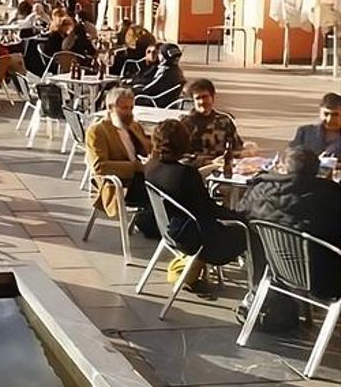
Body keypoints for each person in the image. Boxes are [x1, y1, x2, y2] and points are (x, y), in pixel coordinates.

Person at [145, 120, 248, 288]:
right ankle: (257, 286)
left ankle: (192, 274)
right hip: (193, 237)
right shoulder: (186, 174)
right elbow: (208, 209)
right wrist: (240, 216)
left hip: (169, 228)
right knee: (247, 231)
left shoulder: (151, 167)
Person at [242, 147, 341, 300]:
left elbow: (241, 214)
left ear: (282, 168)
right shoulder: (331, 196)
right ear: (317, 170)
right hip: (326, 278)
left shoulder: (259, 191)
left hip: (278, 270)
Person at [85, 88, 157, 238]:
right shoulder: (97, 131)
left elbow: (148, 148)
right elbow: (100, 167)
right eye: (124, 108)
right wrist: (136, 167)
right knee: (165, 189)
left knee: (175, 181)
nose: (129, 112)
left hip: (143, 176)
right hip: (122, 184)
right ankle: (160, 227)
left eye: (131, 108)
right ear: (110, 108)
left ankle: (164, 226)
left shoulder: (134, 126)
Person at [180, 79, 243, 168]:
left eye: (205, 97)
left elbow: (237, 147)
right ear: (193, 102)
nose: (202, 102)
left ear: (212, 97)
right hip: (199, 169)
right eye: (198, 98)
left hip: (225, 166)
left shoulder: (224, 120)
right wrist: (209, 162)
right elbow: (182, 156)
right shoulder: (186, 124)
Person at [132, 43, 185, 108]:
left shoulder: (165, 72)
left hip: (155, 102)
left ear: (163, 56)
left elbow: (149, 90)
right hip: (166, 100)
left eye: (159, 53)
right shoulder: (175, 70)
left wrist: (130, 90)